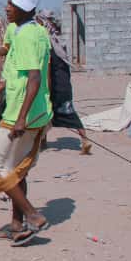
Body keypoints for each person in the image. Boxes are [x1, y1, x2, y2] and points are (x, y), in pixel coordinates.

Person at [0, 0, 52, 246]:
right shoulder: (35, 32)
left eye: (12, 5)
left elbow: (34, 79)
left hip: (22, 115)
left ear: (24, 7)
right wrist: (3, 85)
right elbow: (25, 75)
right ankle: (16, 224)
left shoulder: (24, 36)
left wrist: (21, 118)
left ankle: (33, 216)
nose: (7, 9)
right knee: (15, 171)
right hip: (34, 112)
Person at [36, 10, 92, 155]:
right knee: (67, 111)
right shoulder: (58, 40)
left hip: (54, 85)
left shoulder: (48, 42)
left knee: (46, 112)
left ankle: (42, 142)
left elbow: (48, 66)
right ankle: (84, 140)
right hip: (64, 83)